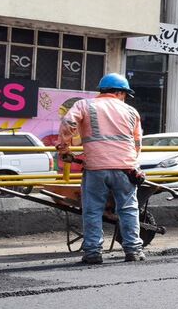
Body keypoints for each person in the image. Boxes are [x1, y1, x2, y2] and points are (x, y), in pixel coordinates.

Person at [55, 73, 146, 265]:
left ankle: (93, 253)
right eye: (125, 94)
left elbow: (69, 123)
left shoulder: (84, 105)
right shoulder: (131, 111)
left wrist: (64, 148)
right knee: (128, 209)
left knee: (93, 210)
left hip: (96, 167)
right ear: (120, 92)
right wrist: (133, 163)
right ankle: (133, 250)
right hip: (126, 168)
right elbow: (137, 142)